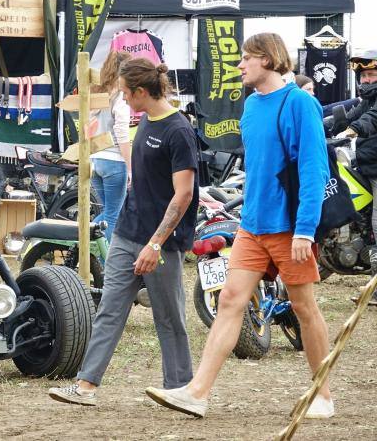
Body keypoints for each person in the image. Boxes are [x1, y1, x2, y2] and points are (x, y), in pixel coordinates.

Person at [146, 33, 334, 419]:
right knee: (230, 300)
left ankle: (324, 395)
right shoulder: (250, 107)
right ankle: (197, 392)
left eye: (247, 58)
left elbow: (315, 168)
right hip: (253, 225)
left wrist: (304, 229)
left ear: (267, 59)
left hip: (287, 228)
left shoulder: (300, 103)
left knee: (303, 307)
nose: (241, 65)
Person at [48, 58, 199, 406]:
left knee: (169, 316)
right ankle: (86, 386)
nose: (124, 100)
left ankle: (180, 388)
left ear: (142, 92)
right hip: (128, 234)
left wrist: (155, 244)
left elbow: (184, 194)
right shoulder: (144, 121)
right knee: (110, 310)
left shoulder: (178, 131)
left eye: (127, 93)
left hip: (161, 244)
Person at [333, 50, 377, 306]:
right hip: (366, 166)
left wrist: (353, 130)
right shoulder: (366, 101)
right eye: (365, 75)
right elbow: (350, 117)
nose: (368, 80)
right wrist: (322, 126)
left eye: (373, 74)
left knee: (376, 223)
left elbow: (369, 120)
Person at [90, 51, 132, 242]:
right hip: (114, 161)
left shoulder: (97, 92)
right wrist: (131, 168)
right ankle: (103, 258)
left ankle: (83, 240)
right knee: (114, 215)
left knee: (108, 212)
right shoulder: (121, 98)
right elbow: (122, 137)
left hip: (95, 159)